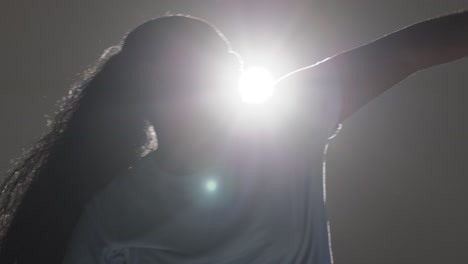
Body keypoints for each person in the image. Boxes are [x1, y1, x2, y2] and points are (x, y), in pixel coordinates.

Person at [0, 10, 467, 264]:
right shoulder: (286, 126)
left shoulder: (286, 125)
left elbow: (409, 52)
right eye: (219, 56)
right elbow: (407, 53)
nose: (233, 63)